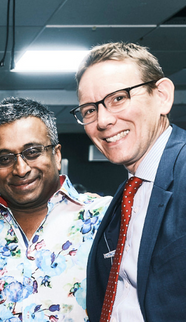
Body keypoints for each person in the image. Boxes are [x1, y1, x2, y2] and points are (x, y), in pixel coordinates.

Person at [0, 97, 111, 321]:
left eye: (32, 152)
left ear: (57, 155)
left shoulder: (105, 216)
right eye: (4, 158)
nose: (21, 169)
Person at [72, 42, 185, 322]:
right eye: (89, 110)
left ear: (162, 97)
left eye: (118, 98)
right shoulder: (127, 194)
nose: (103, 120)